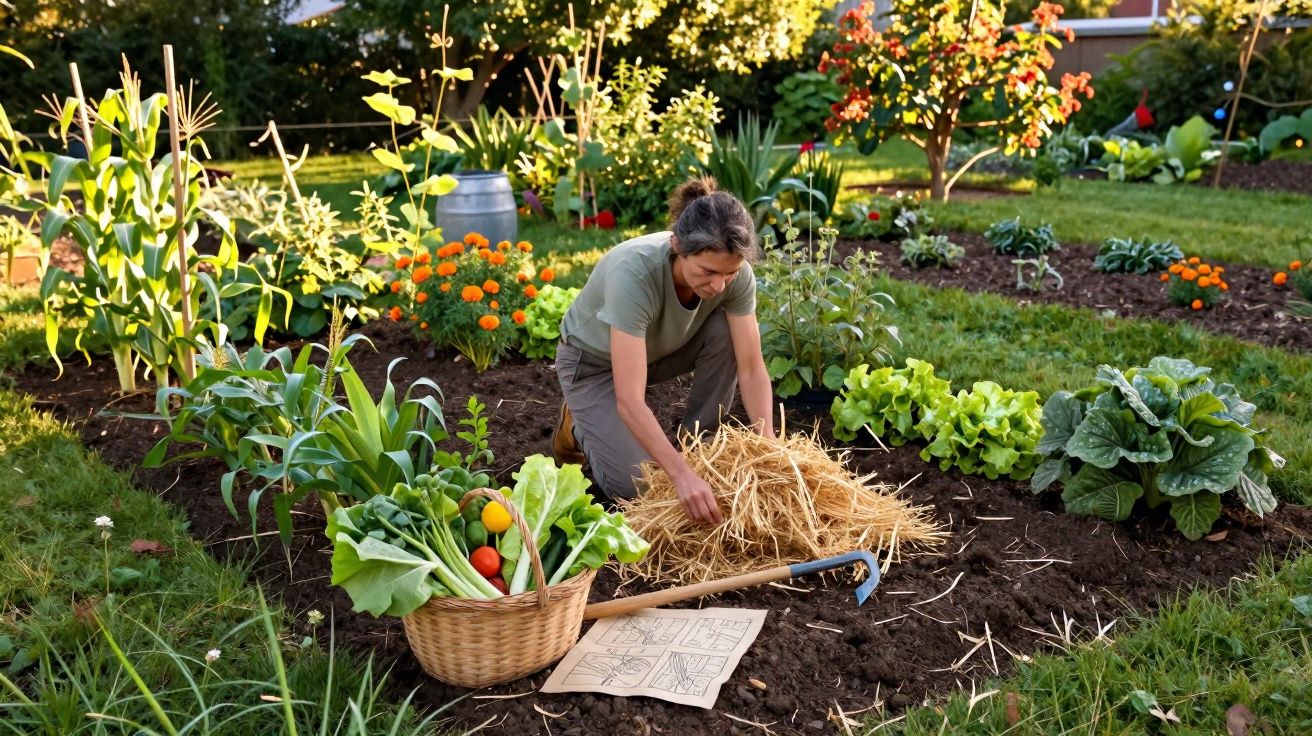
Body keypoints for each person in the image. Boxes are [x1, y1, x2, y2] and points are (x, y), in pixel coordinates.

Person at [552, 176, 775, 524]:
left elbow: (751, 367)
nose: (719, 285)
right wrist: (680, 477)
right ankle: (579, 425)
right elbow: (629, 398)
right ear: (677, 246)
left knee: (726, 332)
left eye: (728, 275)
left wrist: (769, 449)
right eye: (708, 272)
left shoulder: (734, 272)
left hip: (658, 351)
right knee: (643, 489)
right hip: (594, 366)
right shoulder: (634, 273)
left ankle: (700, 448)